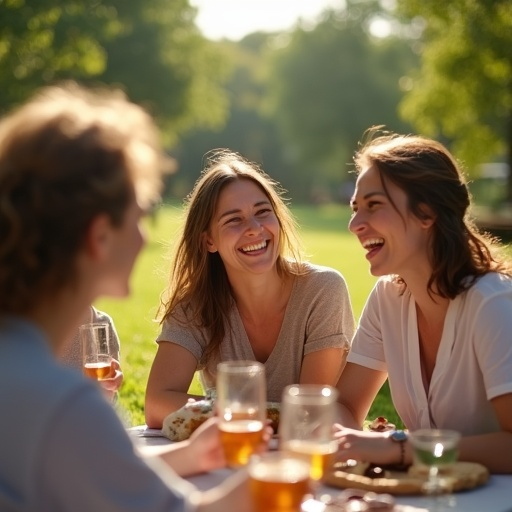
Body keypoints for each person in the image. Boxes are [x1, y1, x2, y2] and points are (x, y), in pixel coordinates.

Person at [0, 82, 255, 511]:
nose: (143, 237)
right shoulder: (59, 401)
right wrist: (275, 479)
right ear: (99, 235)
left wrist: (191, 455)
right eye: (140, 215)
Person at [334, 131, 512, 474]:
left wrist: (400, 448)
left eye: (373, 205)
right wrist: (347, 441)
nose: (354, 224)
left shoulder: (493, 305)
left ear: (426, 213)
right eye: (355, 208)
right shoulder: (388, 298)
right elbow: (344, 404)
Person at [145, 149, 355, 428]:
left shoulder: (323, 291)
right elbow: (157, 404)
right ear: (209, 241)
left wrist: (231, 414)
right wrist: (258, 416)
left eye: (262, 212)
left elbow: (310, 414)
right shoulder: (196, 305)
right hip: (230, 457)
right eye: (234, 220)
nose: (254, 228)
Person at [58, 305, 123, 401]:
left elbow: (112, 372)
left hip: (92, 406)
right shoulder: (41, 326)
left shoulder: (101, 323)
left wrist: (113, 381)